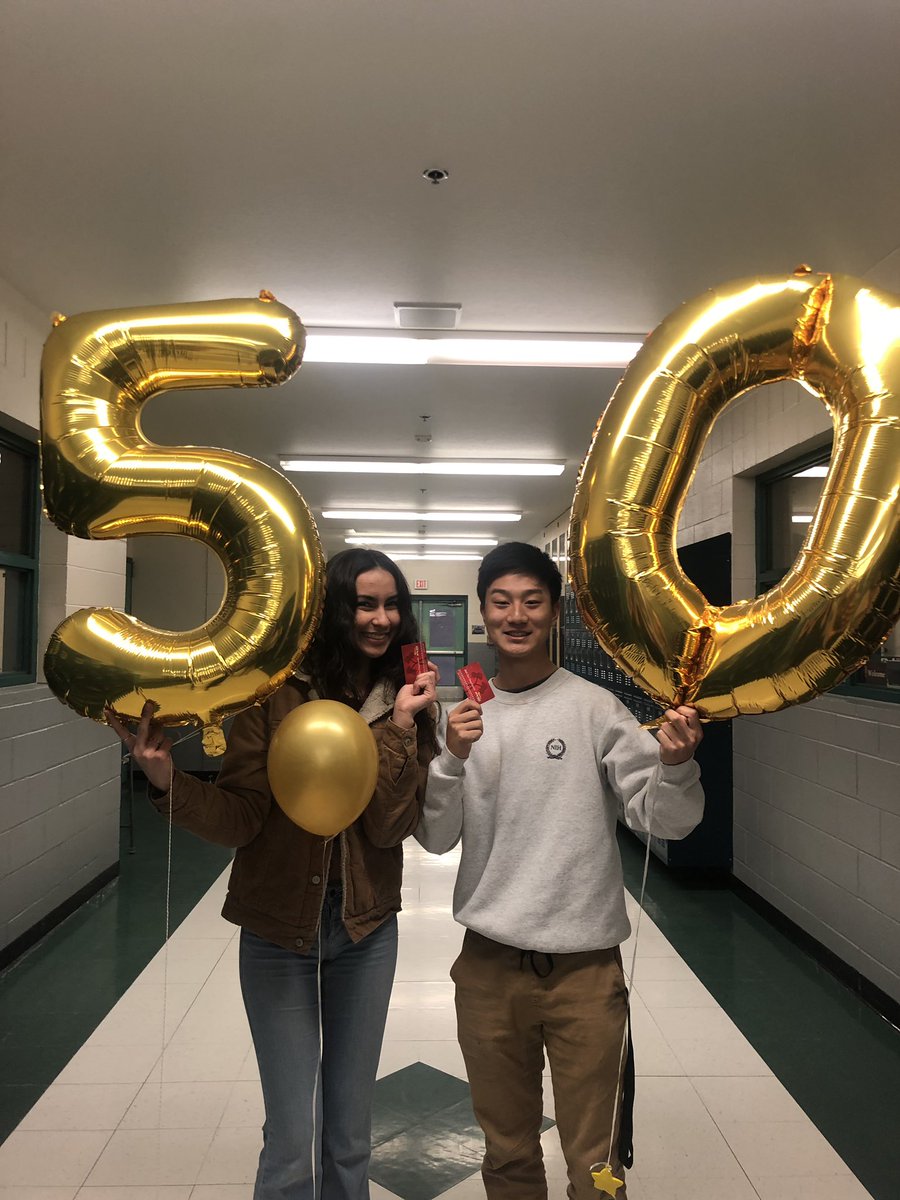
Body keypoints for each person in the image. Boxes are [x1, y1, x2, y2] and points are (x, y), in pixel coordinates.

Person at [109, 548, 438, 1200]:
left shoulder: (407, 701)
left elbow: (390, 829)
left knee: (350, 1133)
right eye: (364, 603)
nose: (380, 617)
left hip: (365, 930)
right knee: (289, 1138)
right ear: (332, 609)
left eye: (391, 604)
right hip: (274, 929)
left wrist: (399, 729)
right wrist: (167, 781)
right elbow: (239, 818)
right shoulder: (271, 692)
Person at [415, 542, 704, 1200]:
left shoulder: (596, 708)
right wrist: (450, 757)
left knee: (594, 1163)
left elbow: (667, 819)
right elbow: (434, 838)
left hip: (585, 977)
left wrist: (676, 766)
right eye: (501, 601)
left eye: (532, 601)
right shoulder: (464, 718)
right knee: (507, 1151)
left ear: (554, 616)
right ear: (484, 616)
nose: (516, 614)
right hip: (489, 971)